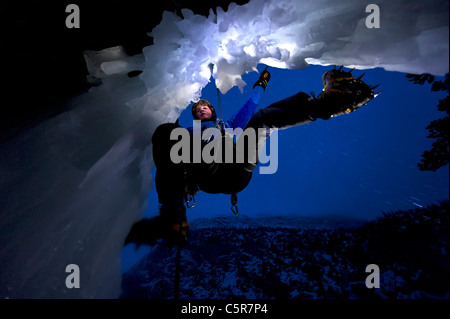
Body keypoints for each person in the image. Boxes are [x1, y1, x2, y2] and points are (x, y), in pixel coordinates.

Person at [124, 66, 377, 247]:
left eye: (206, 106)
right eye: (197, 107)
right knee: (169, 132)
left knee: (259, 121)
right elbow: (169, 131)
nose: (202, 107)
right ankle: (172, 212)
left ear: (212, 112)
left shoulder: (229, 125)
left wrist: (261, 84)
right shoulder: (188, 132)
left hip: (235, 169)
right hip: (207, 173)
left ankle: (332, 102)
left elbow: (251, 105)